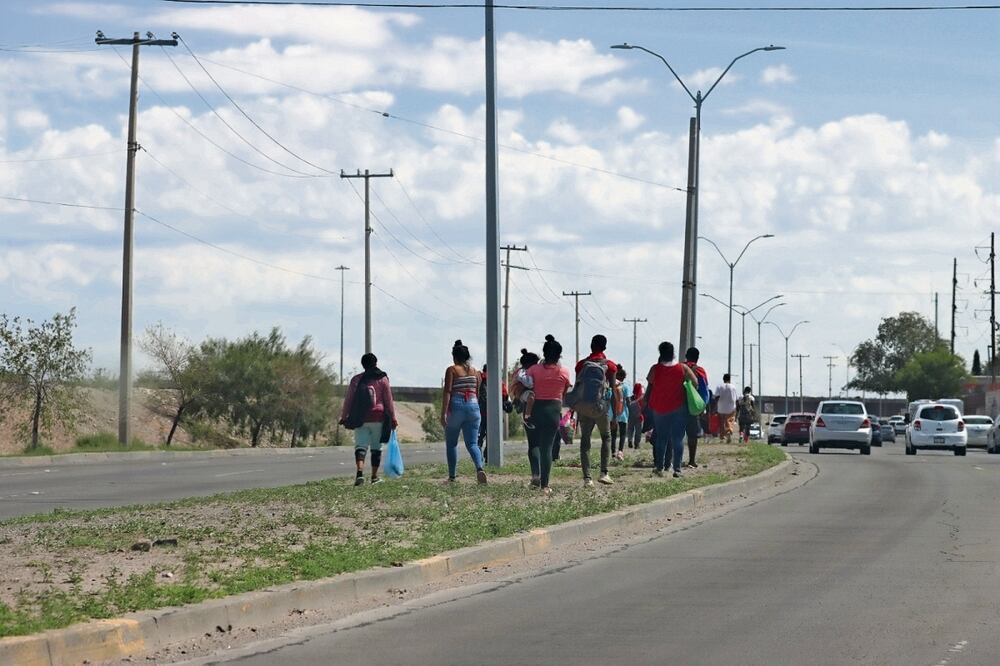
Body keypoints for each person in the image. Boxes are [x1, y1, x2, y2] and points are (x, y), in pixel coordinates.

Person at [339, 353, 397, 486]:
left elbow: (349, 400)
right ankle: (374, 477)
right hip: (378, 418)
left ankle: (359, 473)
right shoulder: (382, 379)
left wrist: (344, 417)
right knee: (376, 448)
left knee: (360, 446)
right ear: (375, 363)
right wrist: (393, 418)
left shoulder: (356, 379)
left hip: (360, 418)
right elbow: (389, 401)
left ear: (363, 365)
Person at [524, 334, 572, 495]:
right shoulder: (564, 372)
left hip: (536, 409)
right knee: (547, 448)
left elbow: (526, 386)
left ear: (544, 353)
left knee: (534, 444)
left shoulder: (533, 370)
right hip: (553, 411)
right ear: (559, 355)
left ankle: (535, 475)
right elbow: (564, 393)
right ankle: (545, 485)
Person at [571, 334, 619, 486]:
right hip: (601, 407)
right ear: (604, 347)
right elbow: (613, 390)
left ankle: (587, 478)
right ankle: (604, 473)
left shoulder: (581, 365)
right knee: (606, 437)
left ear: (591, 346)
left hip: (584, 407)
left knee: (585, 441)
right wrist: (615, 415)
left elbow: (577, 387)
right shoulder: (610, 366)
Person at [644, 341, 697, 478]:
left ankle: (659, 467)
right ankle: (677, 469)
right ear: (673, 353)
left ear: (660, 354)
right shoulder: (683, 368)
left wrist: (645, 404)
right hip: (679, 408)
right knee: (678, 439)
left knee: (661, 438)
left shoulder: (655, 369)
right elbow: (695, 383)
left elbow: (649, 389)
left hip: (660, 409)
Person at [442, 341, 488, 484]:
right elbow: (477, 391)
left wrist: (443, 413)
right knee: (473, 443)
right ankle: (480, 468)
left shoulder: (452, 370)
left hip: (457, 407)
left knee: (451, 443)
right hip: (474, 407)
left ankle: (452, 476)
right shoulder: (476, 372)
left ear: (454, 356)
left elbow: (448, 391)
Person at [683, 347, 710, 468]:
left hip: (678, 404)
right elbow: (705, 391)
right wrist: (702, 406)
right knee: (692, 435)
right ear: (697, 358)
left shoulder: (679, 368)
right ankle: (691, 461)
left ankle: (672, 459)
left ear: (685, 356)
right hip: (692, 406)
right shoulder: (700, 371)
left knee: (676, 433)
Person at [512, 349, 539, 429]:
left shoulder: (527, 371)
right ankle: (527, 417)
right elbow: (528, 383)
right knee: (531, 397)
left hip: (526, 390)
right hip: (522, 391)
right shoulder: (522, 372)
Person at [714, 373, 740, 444]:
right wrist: (738, 408)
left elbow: (716, 397)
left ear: (723, 379)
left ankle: (722, 437)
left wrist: (715, 406)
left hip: (721, 408)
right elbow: (737, 399)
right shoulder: (733, 387)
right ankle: (728, 432)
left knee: (721, 422)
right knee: (729, 421)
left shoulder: (719, 386)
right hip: (731, 408)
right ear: (730, 379)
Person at [613, 368, 631, 459]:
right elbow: (628, 401)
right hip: (623, 413)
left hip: (612, 413)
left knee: (613, 433)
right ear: (624, 377)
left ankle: (612, 452)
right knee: (623, 433)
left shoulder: (612, 386)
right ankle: (620, 452)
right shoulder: (626, 387)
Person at [627, 383, 644, 449]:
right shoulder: (641, 397)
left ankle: (630, 440)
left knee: (630, 429)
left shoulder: (631, 397)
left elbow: (628, 405)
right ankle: (637, 444)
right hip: (639, 416)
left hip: (630, 415)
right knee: (638, 431)